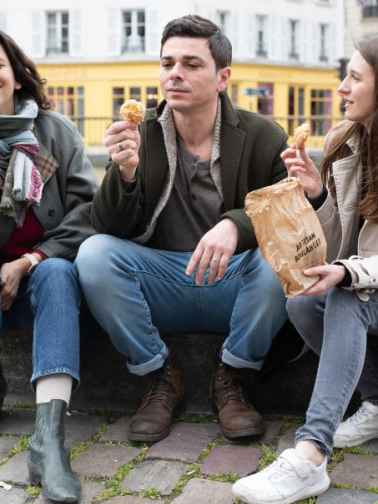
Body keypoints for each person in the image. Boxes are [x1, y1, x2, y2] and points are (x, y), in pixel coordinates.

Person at [75, 14, 288, 443]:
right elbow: (106, 226)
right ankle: (159, 376)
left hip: (236, 283)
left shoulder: (264, 135)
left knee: (275, 259)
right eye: (167, 62)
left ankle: (233, 378)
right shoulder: (141, 134)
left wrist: (236, 226)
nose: (175, 73)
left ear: (222, 77)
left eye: (191, 64)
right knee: (94, 254)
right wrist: (126, 172)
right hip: (164, 282)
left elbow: (288, 211)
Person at [0, 26, 99, 503]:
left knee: (59, 271)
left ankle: (47, 440)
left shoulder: (55, 131)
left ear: (16, 76)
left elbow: (89, 213)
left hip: (40, 283)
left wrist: (32, 260)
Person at [232, 34, 378, 504]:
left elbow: (353, 268)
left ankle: (311, 454)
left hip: (368, 287)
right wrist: (318, 196)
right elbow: (338, 244)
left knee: (344, 294)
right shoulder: (346, 139)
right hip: (368, 285)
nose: (341, 88)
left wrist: (349, 274)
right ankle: (375, 403)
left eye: (355, 77)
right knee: (302, 303)